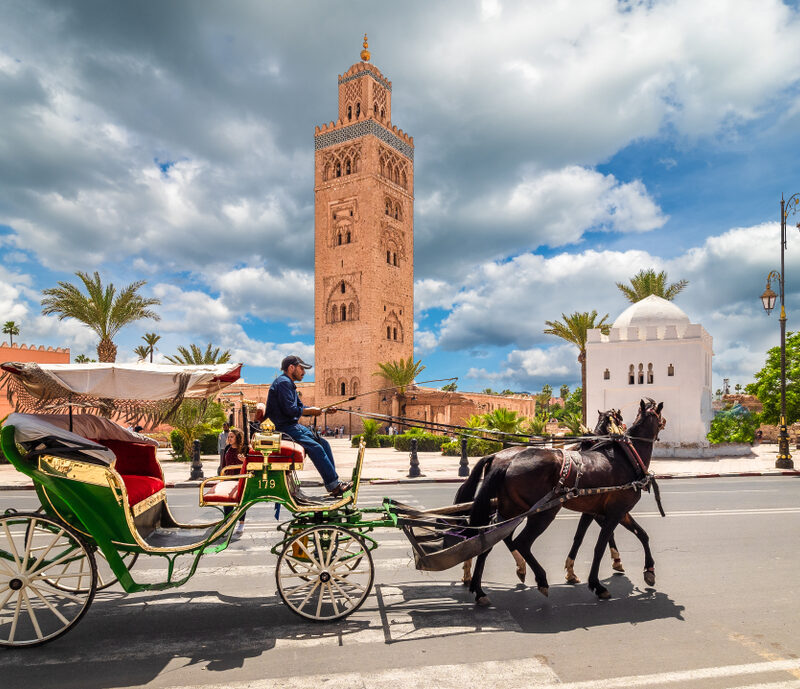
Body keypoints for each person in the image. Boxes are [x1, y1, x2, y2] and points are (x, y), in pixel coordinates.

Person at [266, 355, 352, 497]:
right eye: (301, 368)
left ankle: (334, 482)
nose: (304, 373)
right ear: (291, 368)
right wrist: (312, 411)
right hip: (283, 428)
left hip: (292, 426)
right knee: (316, 448)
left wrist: (322, 410)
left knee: (323, 443)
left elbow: (300, 407)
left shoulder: (289, 384)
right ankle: (334, 485)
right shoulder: (283, 383)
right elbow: (291, 410)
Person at [221, 427, 246, 540]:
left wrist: (244, 461)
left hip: (240, 479)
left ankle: (241, 523)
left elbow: (251, 464)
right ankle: (228, 523)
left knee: (240, 502)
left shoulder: (244, 449)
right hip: (228, 478)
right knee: (226, 501)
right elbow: (223, 463)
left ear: (237, 437)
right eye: (229, 437)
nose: (229, 439)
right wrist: (222, 476)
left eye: (232, 437)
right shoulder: (227, 448)